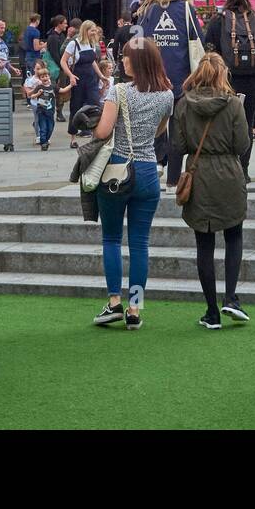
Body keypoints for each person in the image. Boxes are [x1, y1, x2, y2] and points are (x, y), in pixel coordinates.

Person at [91, 36, 174, 330]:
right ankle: (135, 307)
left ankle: (114, 302)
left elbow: (102, 132)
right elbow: (159, 131)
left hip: (117, 170)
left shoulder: (119, 92)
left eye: (126, 57)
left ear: (137, 62)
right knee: (140, 243)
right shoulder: (166, 94)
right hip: (148, 170)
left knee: (112, 238)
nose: (123, 61)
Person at [171, 52, 251, 328]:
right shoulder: (233, 104)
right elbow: (242, 145)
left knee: (204, 243)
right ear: (222, 74)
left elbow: (178, 145)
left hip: (199, 173)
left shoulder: (183, 104)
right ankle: (231, 298)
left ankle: (211, 311)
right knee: (234, 234)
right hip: (228, 173)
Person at [138, 0, 204, 193]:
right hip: (181, 79)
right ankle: (173, 179)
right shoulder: (186, 9)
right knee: (177, 129)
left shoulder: (147, 11)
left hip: (152, 78)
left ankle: (156, 166)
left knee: (155, 125)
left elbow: (137, 44)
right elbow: (199, 41)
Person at [203, 0, 255, 180]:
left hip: (227, 79)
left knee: (225, 123)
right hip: (253, 79)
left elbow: (210, 52)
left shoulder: (218, 20)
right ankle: (244, 171)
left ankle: (227, 169)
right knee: (246, 122)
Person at [62, 19, 106, 147]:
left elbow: (93, 62)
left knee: (95, 105)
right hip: (78, 78)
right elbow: (63, 61)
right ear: (86, 30)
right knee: (76, 106)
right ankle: (73, 137)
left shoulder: (92, 44)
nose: (94, 32)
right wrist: (70, 75)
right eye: (92, 30)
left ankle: (94, 134)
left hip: (91, 79)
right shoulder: (73, 44)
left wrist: (101, 76)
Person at [24, 59, 49, 144]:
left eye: (40, 68)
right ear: (34, 69)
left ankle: (45, 135)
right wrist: (36, 88)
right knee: (38, 118)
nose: (39, 71)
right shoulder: (30, 80)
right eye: (37, 68)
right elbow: (28, 94)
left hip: (45, 102)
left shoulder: (46, 79)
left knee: (45, 118)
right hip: (35, 102)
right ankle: (39, 136)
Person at [56, 23, 78, 122]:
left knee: (64, 89)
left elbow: (62, 50)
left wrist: (68, 37)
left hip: (68, 68)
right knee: (66, 90)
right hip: (70, 68)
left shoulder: (73, 39)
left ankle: (60, 112)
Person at [34, 67, 57, 150]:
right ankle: (43, 143)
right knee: (43, 128)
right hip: (41, 111)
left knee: (50, 128)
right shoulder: (39, 87)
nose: (45, 78)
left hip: (50, 112)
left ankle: (46, 140)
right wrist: (38, 93)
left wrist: (71, 85)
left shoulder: (53, 87)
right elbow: (32, 96)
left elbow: (62, 90)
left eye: (46, 76)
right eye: (42, 77)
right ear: (40, 78)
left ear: (49, 76)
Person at [110, 13, 134, 80]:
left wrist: (115, 58)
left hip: (124, 55)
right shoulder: (137, 29)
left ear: (122, 20)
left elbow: (115, 45)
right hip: (135, 56)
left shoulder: (120, 30)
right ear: (131, 20)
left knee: (124, 76)